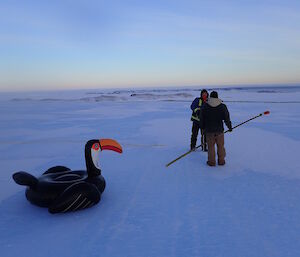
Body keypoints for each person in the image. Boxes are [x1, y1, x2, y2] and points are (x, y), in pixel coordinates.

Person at [200, 91, 232, 166]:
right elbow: (227, 118)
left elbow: (201, 119)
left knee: (210, 147)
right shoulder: (222, 106)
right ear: (217, 97)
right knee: (220, 146)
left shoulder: (205, 106)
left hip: (209, 131)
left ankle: (211, 162)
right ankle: (221, 161)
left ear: (210, 97)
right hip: (219, 131)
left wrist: (202, 128)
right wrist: (229, 127)